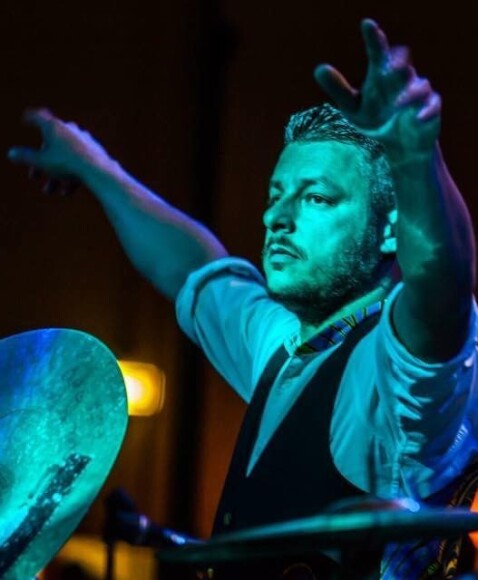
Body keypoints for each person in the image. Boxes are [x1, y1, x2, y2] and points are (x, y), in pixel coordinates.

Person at [8, 17, 478, 579]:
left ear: (390, 229)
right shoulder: (283, 344)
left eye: (316, 198)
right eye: (276, 195)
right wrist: (94, 165)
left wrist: (415, 159)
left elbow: (442, 290)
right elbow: (192, 267)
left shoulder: (390, 376)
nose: (277, 216)